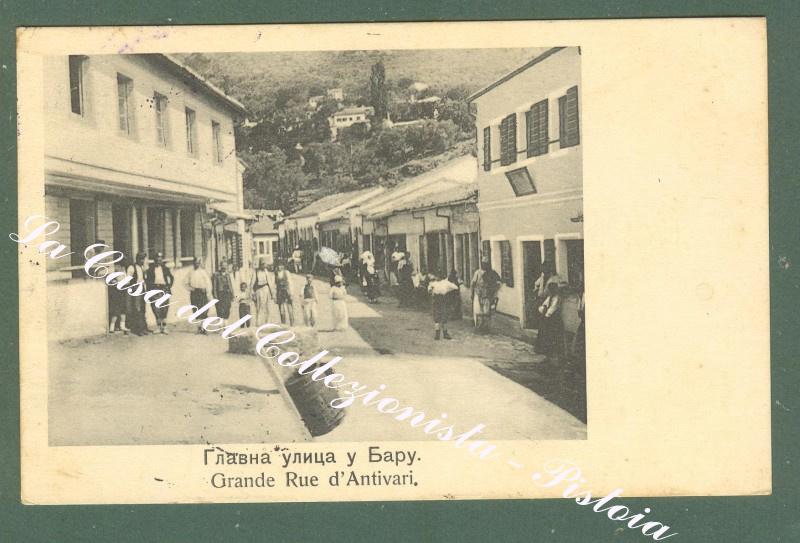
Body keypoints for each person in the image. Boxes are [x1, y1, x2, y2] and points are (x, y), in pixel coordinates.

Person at [145, 252, 174, 334]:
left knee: (164, 308)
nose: (158, 261)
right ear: (154, 260)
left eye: (160, 259)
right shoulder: (150, 269)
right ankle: (158, 327)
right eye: (157, 259)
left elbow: (171, 277)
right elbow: (147, 281)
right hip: (155, 289)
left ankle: (164, 327)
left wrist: (169, 286)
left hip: (164, 289)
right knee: (156, 308)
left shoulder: (165, 268)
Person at [470, 259, 502, 332]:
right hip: (478, 293)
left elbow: (498, 282)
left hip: (487, 294)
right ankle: (479, 325)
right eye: (483, 263)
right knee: (478, 310)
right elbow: (473, 283)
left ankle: (485, 326)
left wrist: (494, 292)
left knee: (486, 311)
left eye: (486, 263)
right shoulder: (477, 272)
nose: (484, 265)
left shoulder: (492, 273)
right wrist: (472, 293)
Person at [535, 282, 565, 359]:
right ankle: (543, 349)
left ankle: (552, 350)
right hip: (547, 317)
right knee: (544, 331)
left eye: (552, 289)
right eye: (550, 289)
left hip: (553, 318)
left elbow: (553, 307)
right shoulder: (550, 297)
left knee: (552, 333)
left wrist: (547, 315)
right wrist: (542, 308)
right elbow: (544, 304)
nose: (551, 291)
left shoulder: (557, 298)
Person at [184, 257, 213, 334]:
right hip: (194, 293)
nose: (196, 264)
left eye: (198, 263)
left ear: (199, 263)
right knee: (196, 310)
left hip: (202, 293)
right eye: (195, 263)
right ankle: (199, 328)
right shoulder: (190, 272)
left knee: (204, 310)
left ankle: (204, 328)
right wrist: (191, 288)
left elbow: (208, 283)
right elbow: (185, 282)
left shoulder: (203, 272)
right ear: (193, 263)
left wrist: (208, 293)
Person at [428, 272, 458, 340]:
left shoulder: (436, 283)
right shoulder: (442, 283)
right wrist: (448, 290)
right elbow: (455, 287)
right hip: (440, 300)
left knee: (441, 317)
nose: (437, 278)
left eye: (438, 276)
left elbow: (429, 290)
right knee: (440, 317)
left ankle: (441, 334)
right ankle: (441, 334)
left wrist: (447, 290)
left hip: (439, 300)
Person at [125, 252, 150, 336]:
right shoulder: (132, 268)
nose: (142, 261)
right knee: (137, 308)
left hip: (142, 288)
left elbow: (143, 279)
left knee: (143, 308)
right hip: (135, 289)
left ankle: (144, 328)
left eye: (143, 259)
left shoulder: (142, 267)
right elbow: (127, 281)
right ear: (137, 259)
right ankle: (138, 329)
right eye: (141, 259)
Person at [108, 257, 129, 334]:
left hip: (123, 290)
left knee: (123, 308)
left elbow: (127, 280)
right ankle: (112, 326)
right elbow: (111, 280)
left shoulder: (124, 270)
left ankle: (122, 325)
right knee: (116, 309)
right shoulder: (114, 270)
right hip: (116, 291)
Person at [251, 257, 274, 326]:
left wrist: (272, 292)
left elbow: (269, 282)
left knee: (268, 306)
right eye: (262, 264)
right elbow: (252, 283)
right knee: (259, 306)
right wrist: (252, 292)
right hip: (259, 290)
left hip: (266, 289)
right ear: (260, 264)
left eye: (265, 264)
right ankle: (258, 322)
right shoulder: (256, 272)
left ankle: (267, 322)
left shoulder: (266, 271)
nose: (264, 266)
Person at [274, 261, 295, 326]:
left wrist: (291, 293)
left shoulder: (286, 272)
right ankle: (284, 323)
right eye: (278, 265)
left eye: (281, 265)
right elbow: (275, 285)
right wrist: (275, 295)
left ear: (283, 266)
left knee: (289, 308)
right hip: (280, 292)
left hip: (286, 291)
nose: (280, 267)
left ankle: (292, 323)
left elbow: (290, 283)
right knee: (282, 309)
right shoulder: (276, 274)